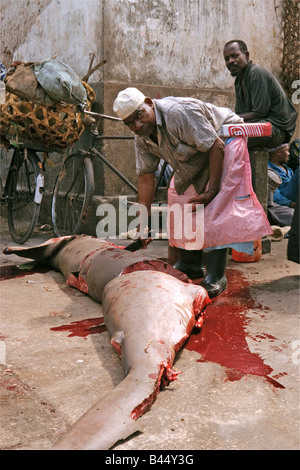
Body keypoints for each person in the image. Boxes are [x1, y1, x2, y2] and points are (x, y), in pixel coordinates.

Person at [113, 88, 272, 298]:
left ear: (150, 103)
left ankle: (216, 275)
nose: (138, 125)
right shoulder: (142, 138)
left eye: (139, 116)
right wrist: (143, 224)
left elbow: (216, 146)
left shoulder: (178, 113)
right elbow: (145, 178)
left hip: (226, 139)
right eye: (130, 123)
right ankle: (190, 264)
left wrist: (211, 192)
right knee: (179, 198)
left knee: (216, 204)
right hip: (198, 153)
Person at [223, 40, 298, 149]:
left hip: (277, 129)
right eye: (227, 59)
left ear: (246, 55)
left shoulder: (256, 73)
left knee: (232, 141)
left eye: (235, 56)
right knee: (223, 135)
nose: (230, 61)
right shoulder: (239, 81)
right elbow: (240, 116)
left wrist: (226, 118)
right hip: (260, 125)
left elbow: (260, 113)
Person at [268, 143, 299, 208]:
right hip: (285, 196)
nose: (289, 154)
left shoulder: (288, 169)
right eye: (287, 151)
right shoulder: (269, 169)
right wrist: (290, 203)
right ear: (278, 152)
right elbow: (274, 194)